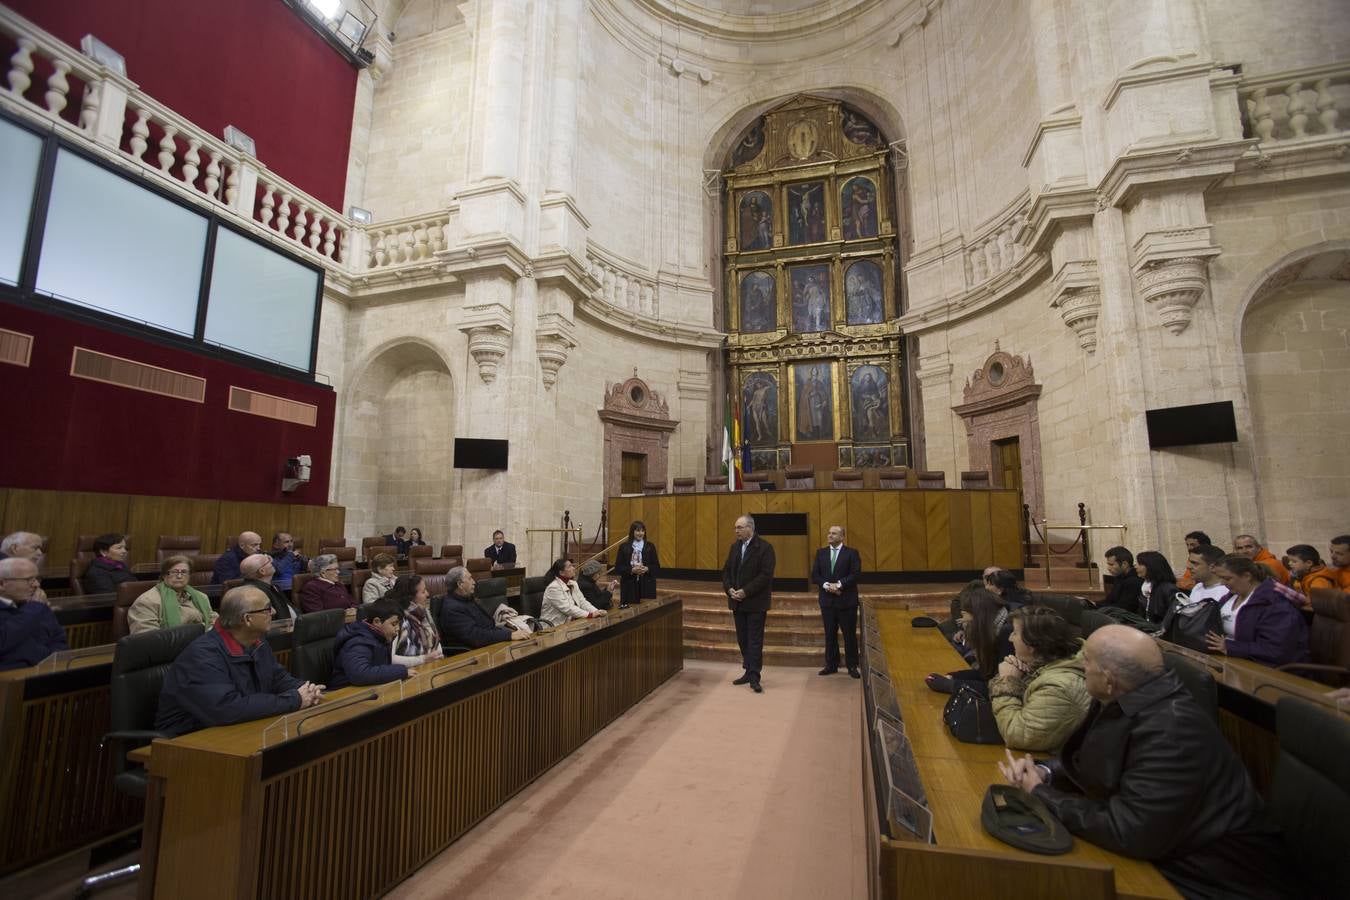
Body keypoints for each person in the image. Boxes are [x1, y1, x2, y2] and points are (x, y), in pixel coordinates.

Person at [998, 625, 1298, 900]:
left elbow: (1130, 830)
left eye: (1086, 661)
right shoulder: (1127, 697)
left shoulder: (1173, 731)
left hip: (1209, 878)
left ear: (1108, 678)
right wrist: (1045, 772)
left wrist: (1040, 794)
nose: (1080, 666)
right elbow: (1101, 760)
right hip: (1170, 850)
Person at [155, 586, 322, 737]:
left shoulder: (257, 642)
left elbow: (278, 678)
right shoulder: (202, 655)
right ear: (247, 619)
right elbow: (227, 708)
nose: (273, 613)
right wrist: (294, 699)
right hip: (189, 741)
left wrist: (305, 690)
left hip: (236, 729)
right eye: (266, 609)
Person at [988, 606, 1091, 753]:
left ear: (1032, 645)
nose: (1010, 638)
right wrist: (1020, 677)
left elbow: (1016, 735)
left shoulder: (1058, 687)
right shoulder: (1047, 664)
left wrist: (1008, 681)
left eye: (1015, 633)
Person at [1204, 554, 1309, 667]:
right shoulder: (1230, 597)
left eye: (1227, 578)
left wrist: (1229, 647)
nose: (1222, 583)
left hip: (1264, 670)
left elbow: (1276, 651)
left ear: (1247, 576)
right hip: (1229, 661)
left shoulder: (1274, 604)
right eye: (1220, 578)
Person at [721, 515, 775, 693]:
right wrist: (729, 589)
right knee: (742, 639)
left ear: (750, 528)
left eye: (739, 527)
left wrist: (745, 591)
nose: (736, 531)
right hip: (737, 602)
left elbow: (765, 576)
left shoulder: (765, 548)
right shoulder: (734, 547)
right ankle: (748, 670)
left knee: (754, 641)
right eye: (735, 528)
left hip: (755, 603)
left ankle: (754, 676)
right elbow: (727, 571)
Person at [926, 587, 1013, 693]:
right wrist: (953, 676)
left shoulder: (1007, 634)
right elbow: (986, 673)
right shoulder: (992, 630)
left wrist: (950, 685)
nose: (963, 623)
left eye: (964, 616)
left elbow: (998, 687)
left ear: (978, 616)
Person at [810, 524, 861, 677]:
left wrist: (839, 584)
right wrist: (827, 585)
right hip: (827, 602)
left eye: (834, 533)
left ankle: (852, 666)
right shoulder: (821, 553)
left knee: (849, 635)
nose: (830, 535)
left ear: (842, 537)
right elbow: (815, 575)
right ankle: (831, 664)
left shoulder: (851, 553)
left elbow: (856, 574)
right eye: (829, 533)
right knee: (830, 634)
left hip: (846, 601)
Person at [329, 598, 415, 689]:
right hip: (344, 694)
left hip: (368, 689)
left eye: (399, 624)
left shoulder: (381, 637)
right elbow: (360, 674)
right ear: (377, 622)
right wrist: (401, 671)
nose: (397, 629)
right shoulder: (358, 641)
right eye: (394, 624)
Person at [437, 566, 529, 648]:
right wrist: (509, 635)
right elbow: (476, 637)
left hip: (488, 644)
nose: (474, 582)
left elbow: (486, 625)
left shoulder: (466, 599)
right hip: (474, 655)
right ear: (460, 584)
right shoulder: (452, 609)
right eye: (469, 579)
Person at [0, 557, 67, 670]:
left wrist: (52, 662)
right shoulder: (35, 606)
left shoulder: (38, 606)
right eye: (29, 580)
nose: (36, 584)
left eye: (37, 579)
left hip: (48, 672)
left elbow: (59, 640)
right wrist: (33, 608)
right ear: (1, 583)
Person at [128, 555, 217, 634]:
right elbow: (146, 639)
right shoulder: (147, 601)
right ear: (163, 575)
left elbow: (214, 620)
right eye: (174, 572)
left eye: (184, 572)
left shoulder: (201, 597)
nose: (179, 576)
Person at [386, 575, 444, 666]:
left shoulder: (424, 612)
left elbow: (435, 640)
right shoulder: (397, 620)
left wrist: (437, 655)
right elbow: (390, 658)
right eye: (423, 591)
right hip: (410, 672)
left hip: (433, 665)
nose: (428, 594)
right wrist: (423, 659)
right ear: (410, 597)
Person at [540, 558, 606, 627]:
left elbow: (582, 602)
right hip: (553, 626)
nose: (573, 568)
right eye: (569, 566)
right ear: (561, 572)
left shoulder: (573, 583)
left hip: (569, 623)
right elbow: (568, 608)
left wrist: (596, 611)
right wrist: (590, 615)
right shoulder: (553, 587)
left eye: (572, 566)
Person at [613, 520, 660, 607]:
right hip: (629, 585)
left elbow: (656, 567)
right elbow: (618, 568)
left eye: (642, 530)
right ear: (632, 532)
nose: (640, 533)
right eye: (638, 530)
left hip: (647, 584)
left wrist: (647, 569)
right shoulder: (624, 547)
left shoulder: (650, 546)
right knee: (629, 614)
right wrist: (632, 570)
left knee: (647, 613)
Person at [240, 554, 298, 620]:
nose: (272, 562)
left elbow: (290, 607)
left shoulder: (273, 586)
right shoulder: (256, 593)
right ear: (262, 571)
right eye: (268, 561)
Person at [1134, 550, 1180, 623]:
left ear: (1151, 566)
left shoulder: (1168, 589)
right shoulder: (1145, 587)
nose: (1135, 566)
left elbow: (1172, 617)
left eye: (1140, 564)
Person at [1094, 546, 1142, 611]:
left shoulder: (1134, 581)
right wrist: (1093, 604)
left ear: (1124, 564)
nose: (1108, 568)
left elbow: (1123, 608)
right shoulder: (1119, 577)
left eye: (1111, 564)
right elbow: (1109, 600)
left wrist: (1096, 605)